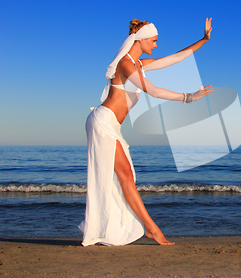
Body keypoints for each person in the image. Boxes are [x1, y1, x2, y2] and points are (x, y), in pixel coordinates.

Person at [79, 18, 213, 246]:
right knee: (125, 177)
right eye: (154, 40)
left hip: (111, 124)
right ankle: (152, 230)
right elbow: (152, 90)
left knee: (122, 177)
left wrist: (203, 40)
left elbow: (176, 58)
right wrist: (189, 97)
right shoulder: (125, 64)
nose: (157, 45)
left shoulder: (138, 64)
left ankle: (102, 229)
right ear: (140, 40)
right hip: (103, 121)